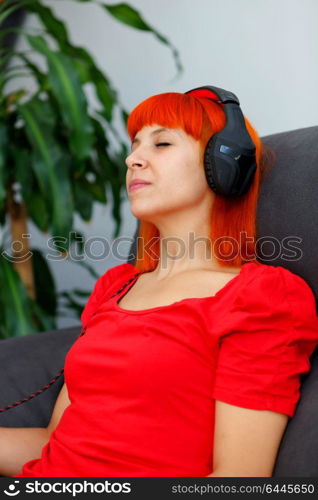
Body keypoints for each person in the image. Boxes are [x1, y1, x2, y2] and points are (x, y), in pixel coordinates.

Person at [5, 88, 318, 477]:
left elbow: (239, 480)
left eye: (162, 143)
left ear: (223, 164)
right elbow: (55, 444)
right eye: (135, 145)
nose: (132, 159)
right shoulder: (116, 286)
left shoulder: (260, 297)